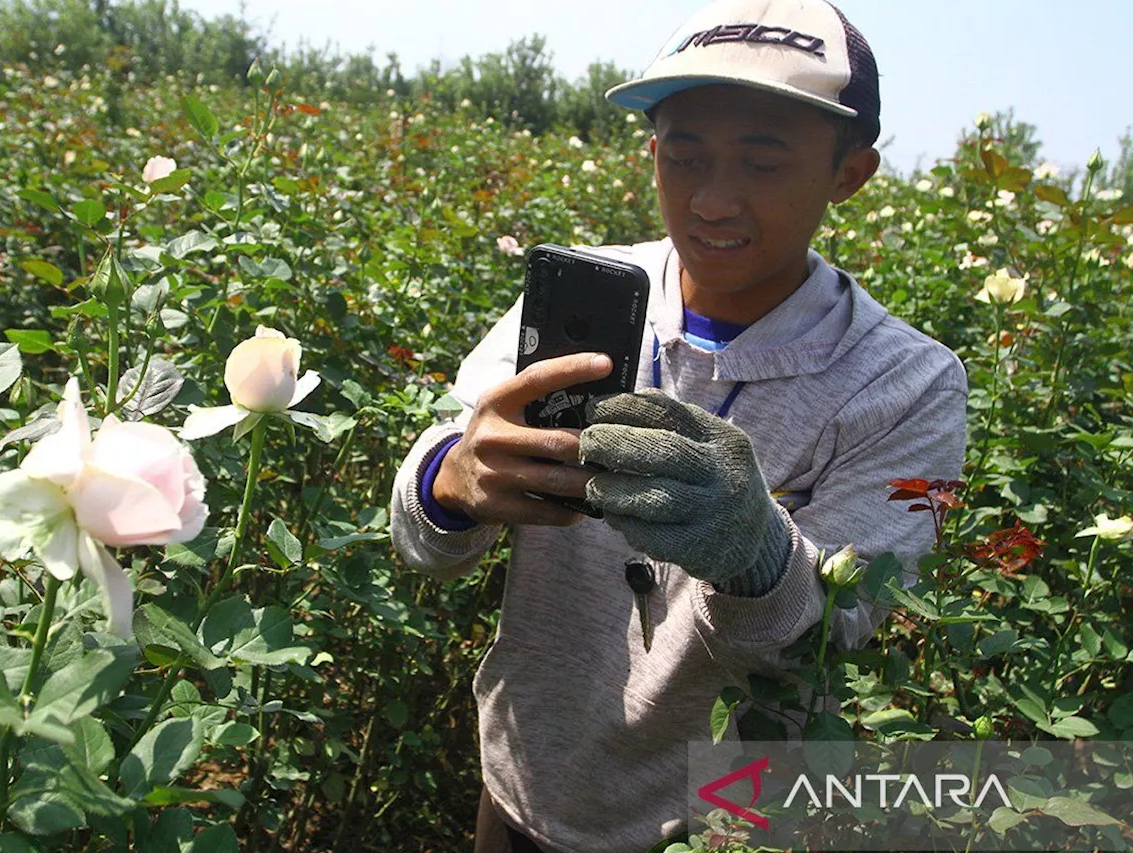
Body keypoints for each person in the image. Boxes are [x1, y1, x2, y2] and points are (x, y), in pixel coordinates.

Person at [390, 0, 968, 850]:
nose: (712, 200)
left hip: (719, 819)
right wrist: (450, 480)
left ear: (852, 172)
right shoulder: (587, 294)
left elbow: (840, 629)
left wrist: (761, 555)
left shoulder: (905, 383)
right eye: (684, 153)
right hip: (524, 777)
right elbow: (425, 526)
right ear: (651, 148)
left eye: (764, 164)